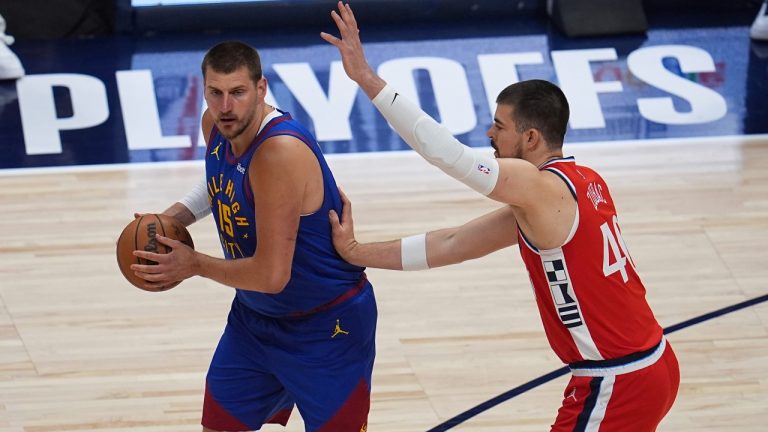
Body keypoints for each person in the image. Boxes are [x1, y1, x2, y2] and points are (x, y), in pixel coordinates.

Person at [321, 2, 679, 430]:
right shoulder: (578, 184)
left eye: (499, 127)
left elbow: (449, 156)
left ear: (530, 137)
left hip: (619, 377)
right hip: (649, 362)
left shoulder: (538, 186)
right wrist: (357, 253)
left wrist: (366, 78)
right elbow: (451, 244)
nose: (489, 134)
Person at [130, 40, 377, 432]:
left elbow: (271, 276)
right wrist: (170, 219)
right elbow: (219, 182)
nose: (226, 106)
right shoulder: (216, 126)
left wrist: (193, 264)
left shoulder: (279, 152)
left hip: (326, 328)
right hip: (255, 319)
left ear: (261, 89)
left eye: (238, 93)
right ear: (204, 90)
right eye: (216, 93)